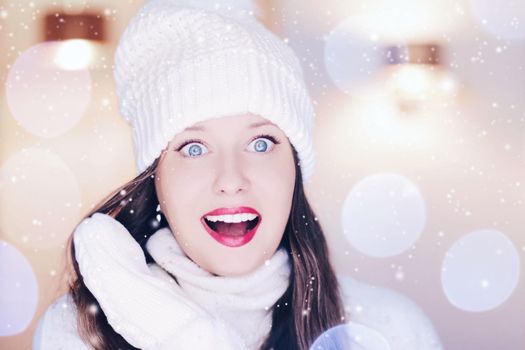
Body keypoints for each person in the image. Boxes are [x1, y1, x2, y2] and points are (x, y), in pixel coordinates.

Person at [33, 1, 443, 349]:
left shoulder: (390, 329)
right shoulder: (80, 331)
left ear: (295, 169)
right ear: (155, 178)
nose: (230, 179)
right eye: (194, 148)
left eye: (261, 143)